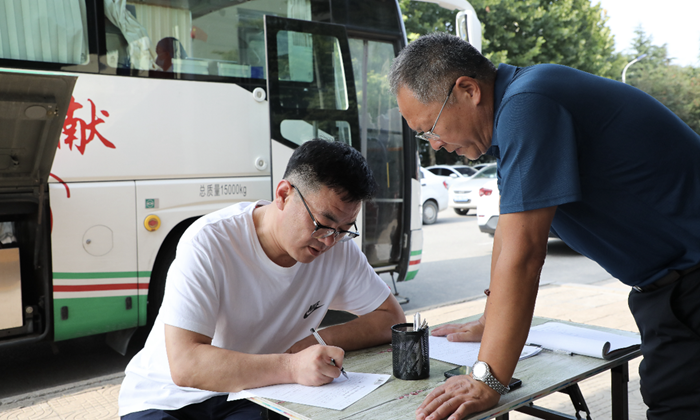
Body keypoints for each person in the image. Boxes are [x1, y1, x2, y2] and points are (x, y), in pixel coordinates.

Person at [389, 32, 700, 420]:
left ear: (468, 90)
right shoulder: (513, 115)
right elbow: (508, 237)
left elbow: (525, 254)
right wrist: (489, 320)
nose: (434, 144)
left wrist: (487, 379)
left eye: (431, 128)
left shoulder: (528, 103)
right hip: (669, 292)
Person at [118, 139, 405, 419]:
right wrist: (292, 366)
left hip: (250, 395)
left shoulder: (338, 250)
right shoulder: (210, 241)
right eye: (323, 224)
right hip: (165, 399)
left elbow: (391, 318)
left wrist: (316, 340)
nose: (329, 241)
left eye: (344, 229)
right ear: (283, 194)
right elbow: (186, 366)